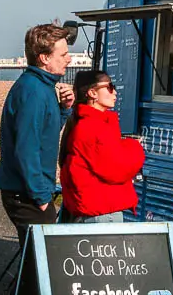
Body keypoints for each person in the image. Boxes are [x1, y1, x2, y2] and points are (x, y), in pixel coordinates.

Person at [0, 23, 74, 295]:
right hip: (25, 193)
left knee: (34, 260)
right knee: (41, 262)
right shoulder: (31, 91)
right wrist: (41, 195)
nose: (69, 59)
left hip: (30, 189)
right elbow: (25, 148)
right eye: (63, 54)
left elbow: (45, 133)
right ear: (43, 57)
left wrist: (64, 109)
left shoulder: (42, 88)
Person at [60, 70, 145, 223]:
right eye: (109, 87)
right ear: (92, 93)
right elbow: (117, 168)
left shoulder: (86, 124)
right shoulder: (93, 127)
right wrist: (135, 147)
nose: (115, 92)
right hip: (101, 213)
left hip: (95, 211)